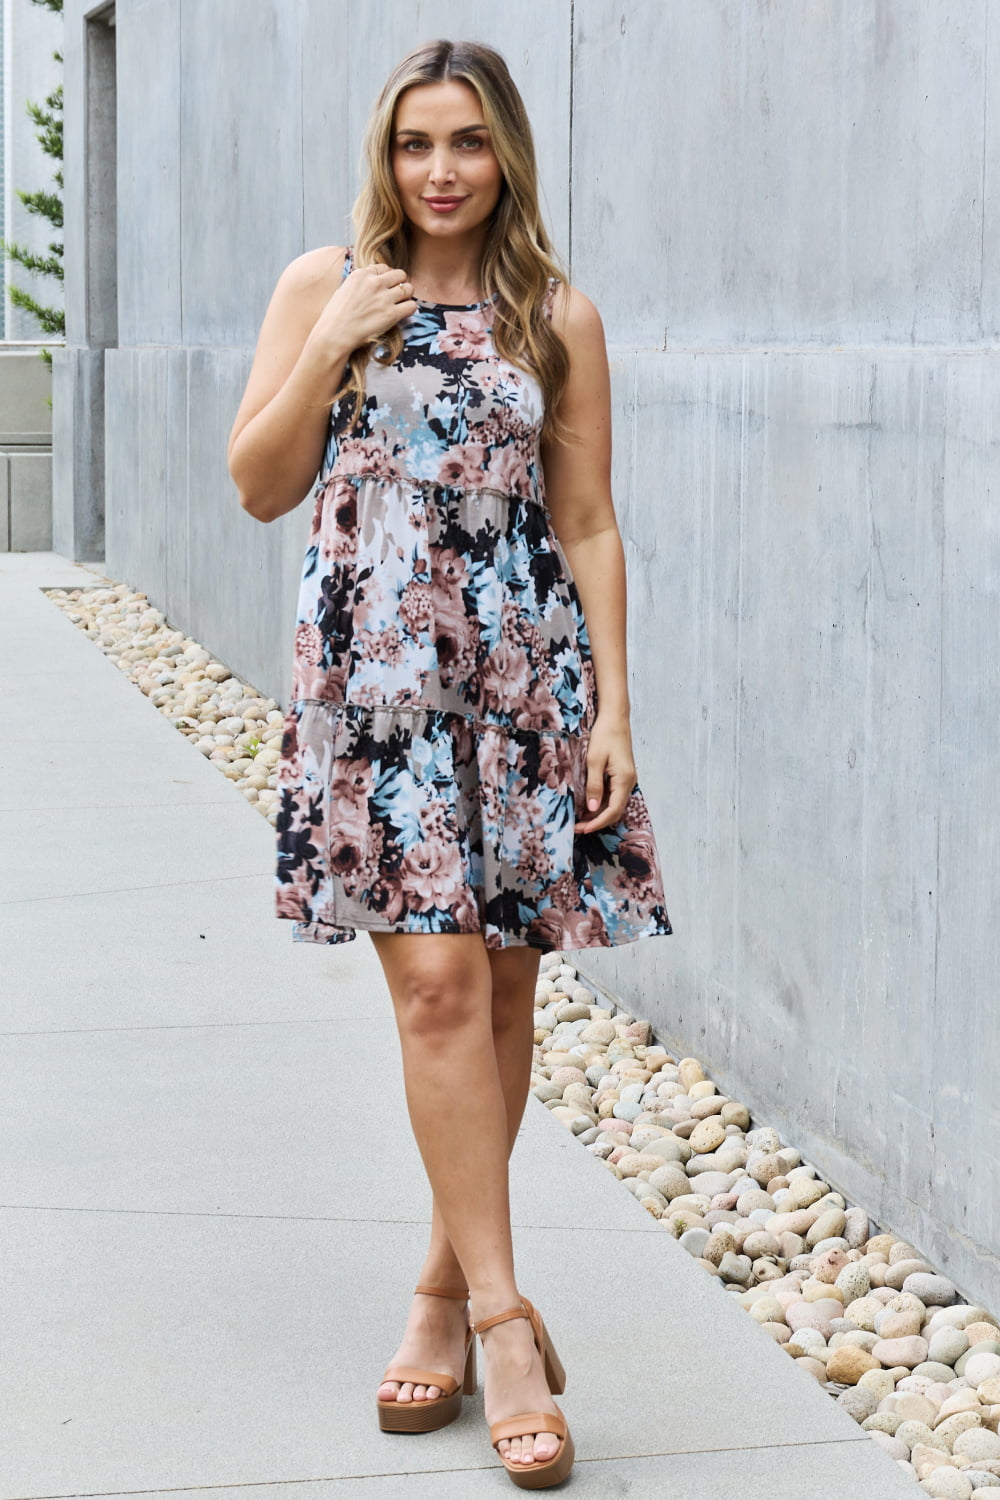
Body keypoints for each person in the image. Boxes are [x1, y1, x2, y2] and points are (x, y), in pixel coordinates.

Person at [227, 37, 671, 1490]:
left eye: (468, 142)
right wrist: (333, 343)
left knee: (502, 997)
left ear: (507, 156)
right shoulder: (324, 285)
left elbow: (587, 520)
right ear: (386, 154)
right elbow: (259, 485)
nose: (441, 170)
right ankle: (505, 1324)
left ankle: (437, 1290)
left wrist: (613, 711)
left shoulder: (555, 312)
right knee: (436, 989)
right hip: (375, 692)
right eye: (416, 142)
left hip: (519, 685)